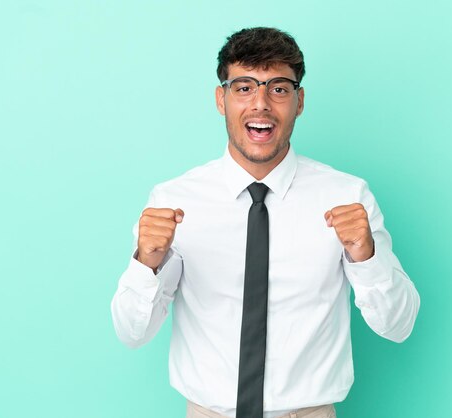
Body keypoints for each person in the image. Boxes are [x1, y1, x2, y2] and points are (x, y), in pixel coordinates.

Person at [111, 27, 420, 418]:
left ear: (299, 100)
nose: (261, 104)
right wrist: (147, 262)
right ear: (221, 99)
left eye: (278, 88)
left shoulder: (347, 196)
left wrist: (366, 257)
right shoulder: (173, 200)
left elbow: (399, 325)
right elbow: (132, 333)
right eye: (243, 88)